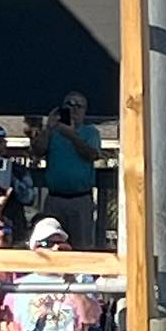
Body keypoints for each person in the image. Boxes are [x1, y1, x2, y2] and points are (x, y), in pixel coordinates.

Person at [30, 92, 101, 250]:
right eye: (69, 104)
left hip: (80, 199)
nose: (73, 109)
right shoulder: (53, 132)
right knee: (50, 244)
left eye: (78, 106)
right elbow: (37, 151)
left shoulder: (91, 132)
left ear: (84, 111)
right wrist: (49, 128)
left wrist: (71, 135)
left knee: (82, 247)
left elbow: (92, 155)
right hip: (54, 199)